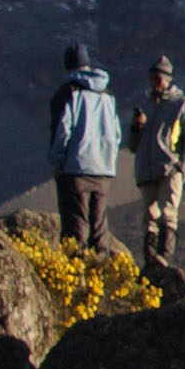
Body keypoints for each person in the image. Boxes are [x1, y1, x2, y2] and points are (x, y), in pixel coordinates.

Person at [128, 55, 185, 270]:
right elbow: (132, 145)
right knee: (149, 217)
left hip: (170, 170)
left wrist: (182, 167)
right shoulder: (144, 106)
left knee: (168, 213)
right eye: (152, 79)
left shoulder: (182, 105)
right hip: (146, 171)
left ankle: (164, 257)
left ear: (168, 79)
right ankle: (150, 258)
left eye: (159, 79)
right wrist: (136, 127)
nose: (155, 83)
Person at [47, 44, 122, 249]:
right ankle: (100, 269)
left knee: (75, 227)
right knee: (99, 228)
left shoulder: (69, 93)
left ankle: (75, 272)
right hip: (104, 169)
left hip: (75, 169)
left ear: (68, 67)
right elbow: (116, 134)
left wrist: (57, 161)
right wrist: (109, 158)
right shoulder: (108, 94)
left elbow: (63, 129)